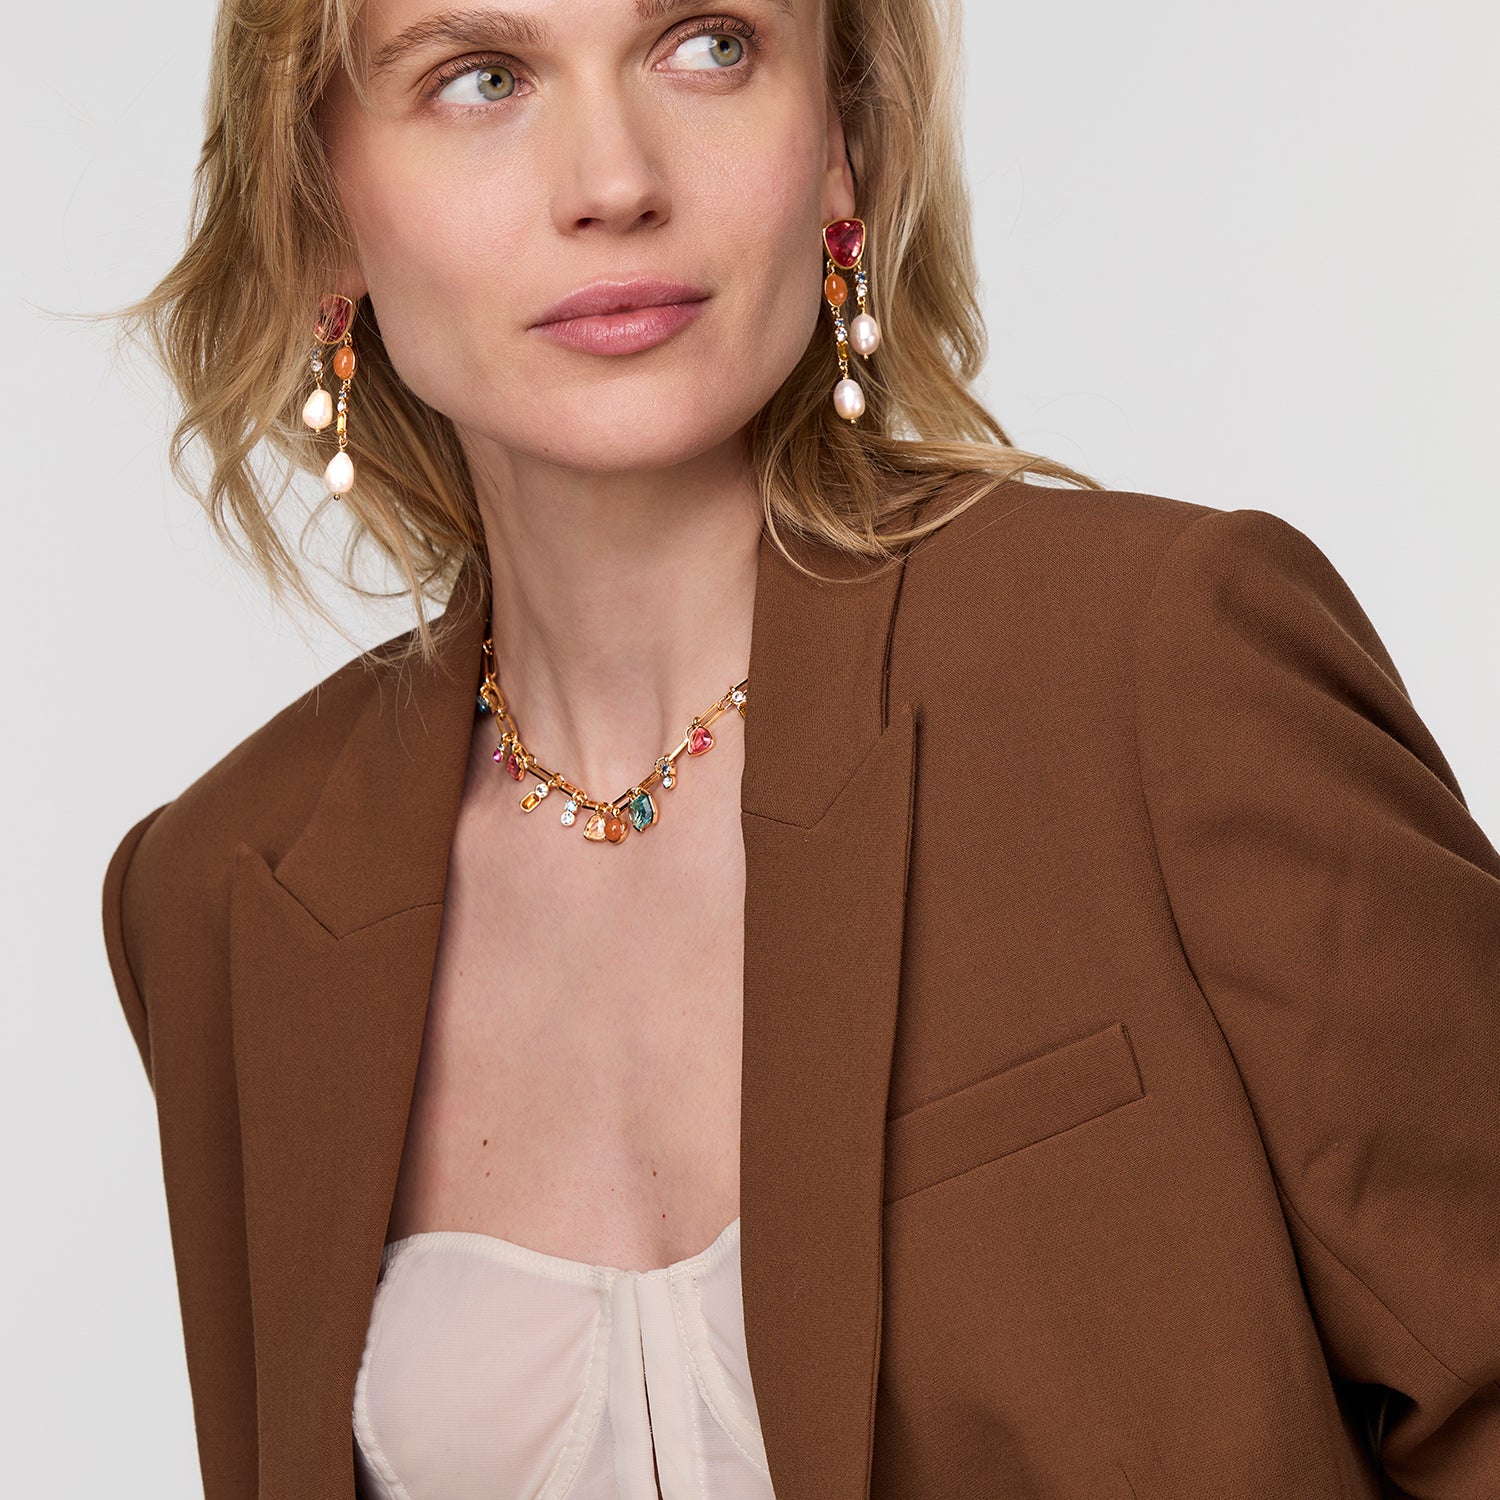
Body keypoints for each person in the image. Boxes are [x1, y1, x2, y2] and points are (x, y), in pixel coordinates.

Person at [100, 0, 1500, 1496]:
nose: (615, 178)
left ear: (840, 137)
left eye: (707, 45)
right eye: (482, 78)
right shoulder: (222, 894)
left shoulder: (1159, 664)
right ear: (317, 211)